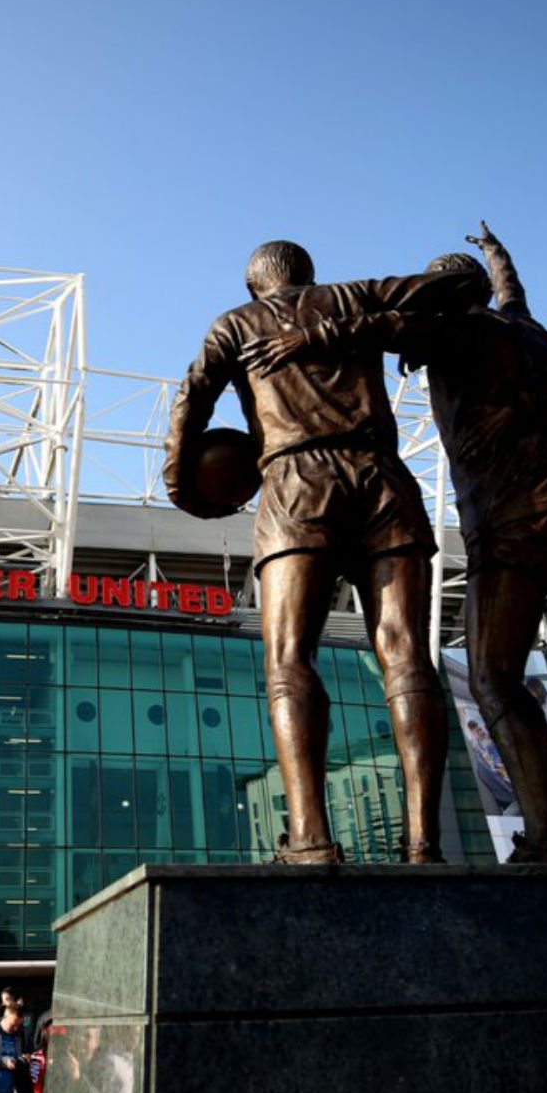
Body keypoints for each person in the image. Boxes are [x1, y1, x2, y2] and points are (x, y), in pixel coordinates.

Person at [240, 223, 547, 863]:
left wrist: (303, 335)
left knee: (492, 676)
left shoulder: (445, 328)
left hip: (513, 520)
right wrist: (497, 255)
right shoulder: (529, 330)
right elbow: (512, 294)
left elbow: (369, 328)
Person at [165, 241, 467, 863]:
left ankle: (310, 838)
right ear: (308, 276)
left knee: (289, 659)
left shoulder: (236, 323)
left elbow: (194, 394)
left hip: (297, 483)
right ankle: (422, 844)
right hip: (383, 478)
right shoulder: (353, 296)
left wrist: (181, 483)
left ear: (255, 287)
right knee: (407, 654)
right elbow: (448, 289)